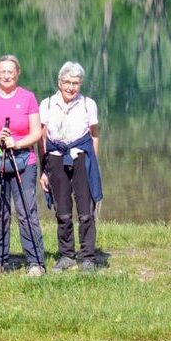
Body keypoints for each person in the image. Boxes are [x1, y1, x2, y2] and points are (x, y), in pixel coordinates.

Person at [0, 55, 46, 277]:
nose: (7, 75)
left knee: (27, 212)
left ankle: (36, 262)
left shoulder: (28, 97)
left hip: (24, 160)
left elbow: (37, 133)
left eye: (11, 71)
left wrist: (16, 142)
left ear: (18, 73)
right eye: (3, 71)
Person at [39, 61, 102, 273]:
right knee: (63, 211)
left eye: (75, 83)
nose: (71, 87)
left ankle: (87, 257)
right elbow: (42, 138)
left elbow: (94, 135)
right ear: (59, 82)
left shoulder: (88, 104)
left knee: (86, 211)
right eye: (67, 82)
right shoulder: (47, 104)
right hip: (56, 158)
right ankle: (66, 255)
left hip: (81, 157)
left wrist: (93, 162)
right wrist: (43, 170)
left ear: (80, 84)